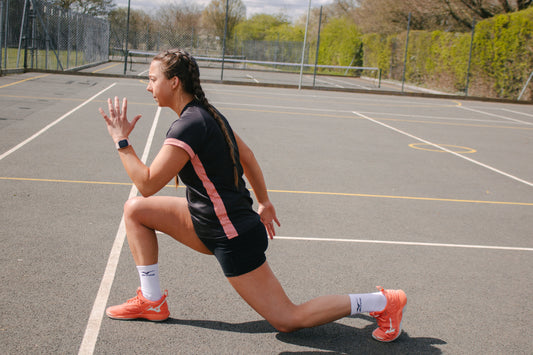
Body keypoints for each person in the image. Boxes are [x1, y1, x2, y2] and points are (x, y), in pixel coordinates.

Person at [98, 49, 406, 343]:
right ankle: (152, 301)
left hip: (231, 235)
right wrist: (264, 202)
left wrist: (121, 141)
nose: (148, 86)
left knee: (288, 319)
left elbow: (148, 182)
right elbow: (247, 155)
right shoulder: (204, 114)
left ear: (174, 82)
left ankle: (381, 302)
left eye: (152, 79)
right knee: (136, 210)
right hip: (209, 221)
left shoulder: (190, 125)